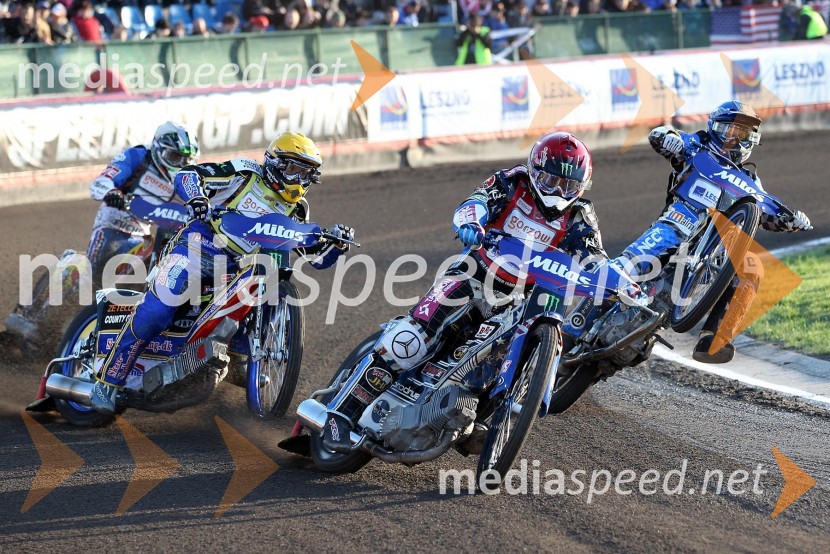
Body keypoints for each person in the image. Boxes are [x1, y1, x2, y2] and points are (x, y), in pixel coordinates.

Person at [321, 132, 606, 452]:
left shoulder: (579, 214)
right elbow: (476, 203)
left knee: (508, 354)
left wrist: (622, 284)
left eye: (567, 186)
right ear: (535, 170)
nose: (557, 192)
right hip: (472, 276)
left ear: (581, 185)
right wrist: (472, 223)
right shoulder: (512, 183)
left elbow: (594, 254)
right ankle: (341, 416)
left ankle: (482, 414)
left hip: (517, 300)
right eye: (551, 181)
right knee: (409, 341)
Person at [89, 133, 355, 415]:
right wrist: (198, 198)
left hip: (237, 269)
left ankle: (242, 358)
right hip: (196, 248)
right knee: (157, 312)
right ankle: (108, 380)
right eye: (293, 169)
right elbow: (189, 175)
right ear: (275, 163)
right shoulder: (244, 173)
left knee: (271, 286)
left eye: (306, 174)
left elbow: (313, 258)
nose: (298, 179)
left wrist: (336, 245)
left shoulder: (297, 209)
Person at [614, 101, 812, 363]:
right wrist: (670, 140)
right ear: (715, 128)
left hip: (716, 250)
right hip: (680, 220)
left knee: (753, 268)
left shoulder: (751, 181)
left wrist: (791, 220)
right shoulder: (698, 145)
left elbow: (767, 214)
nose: (734, 138)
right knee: (654, 244)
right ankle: (602, 283)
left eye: (741, 134)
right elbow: (660, 135)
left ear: (751, 139)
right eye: (729, 130)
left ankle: (714, 338)